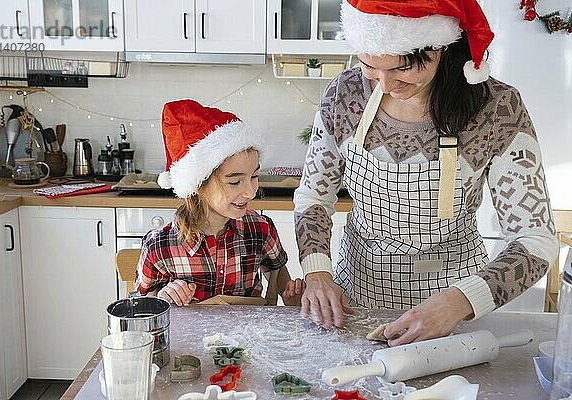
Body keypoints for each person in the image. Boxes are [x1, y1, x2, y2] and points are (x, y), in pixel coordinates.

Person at [294, 0, 558, 345]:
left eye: (402, 68)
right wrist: (316, 271)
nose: (385, 86)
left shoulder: (495, 108)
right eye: (370, 67)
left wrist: (459, 302)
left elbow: (535, 240)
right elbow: (314, 195)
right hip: (354, 300)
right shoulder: (345, 95)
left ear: (443, 49)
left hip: (454, 306)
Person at [136, 99, 304, 306]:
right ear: (198, 184)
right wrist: (163, 297)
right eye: (235, 181)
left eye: (254, 176)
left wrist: (290, 296)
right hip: (191, 338)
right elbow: (143, 304)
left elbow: (276, 271)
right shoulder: (160, 247)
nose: (251, 192)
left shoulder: (261, 229)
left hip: (249, 337)